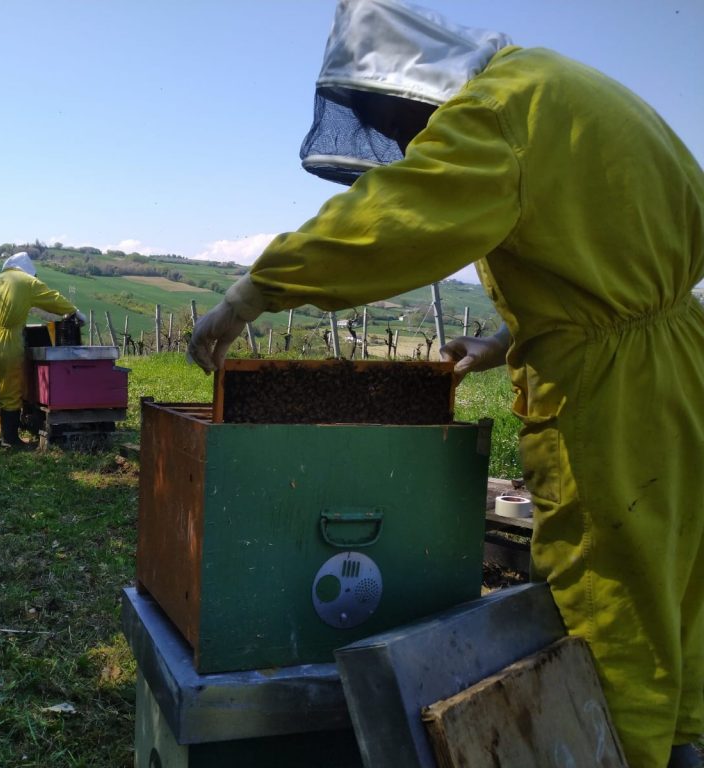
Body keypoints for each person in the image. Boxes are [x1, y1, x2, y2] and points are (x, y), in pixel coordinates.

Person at [186, 2, 704, 766]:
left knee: (610, 601)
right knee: (676, 580)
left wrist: (257, 288)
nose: (400, 141)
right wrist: (507, 338)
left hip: (614, 400)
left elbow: (393, 222)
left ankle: (621, 749)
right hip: (679, 364)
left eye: (389, 119)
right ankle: (682, 739)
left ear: (405, 87)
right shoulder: (564, 86)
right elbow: (607, 261)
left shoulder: (496, 113)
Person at [0, 252, 82, 448]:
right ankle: (10, 439)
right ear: (27, 269)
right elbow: (52, 298)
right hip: (8, 340)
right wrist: (73, 311)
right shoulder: (27, 282)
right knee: (10, 390)